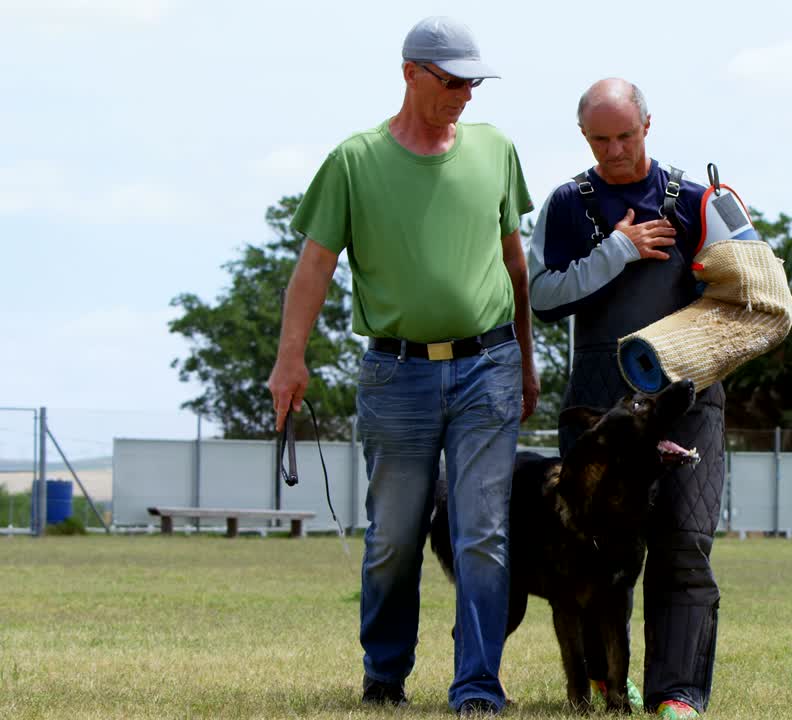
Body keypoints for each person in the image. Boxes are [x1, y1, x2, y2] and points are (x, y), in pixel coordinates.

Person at [266, 16, 536, 716]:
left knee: (483, 530)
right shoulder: (354, 162)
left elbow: (515, 267)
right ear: (411, 73)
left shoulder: (497, 151)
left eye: (473, 82)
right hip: (397, 376)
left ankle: (477, 684)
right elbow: (313, 269)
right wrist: (288, 362)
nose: (465, 95)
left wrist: (529, 362)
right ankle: (384, 673)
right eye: (451, 81)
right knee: (393, 536)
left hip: (490, 366)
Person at [526, 78, 725, 720]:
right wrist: (617, 251)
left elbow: (751, 286)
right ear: (584, 136)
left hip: (687, 399)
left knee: (683, 543)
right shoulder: (567, 204)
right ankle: (611, 686)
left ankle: (678, 696)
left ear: (648, 125)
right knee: (586, 550)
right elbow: (543, 299)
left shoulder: (697, 200)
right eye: (599, 139)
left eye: (625, 136)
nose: (613, 151)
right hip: (598, 403)